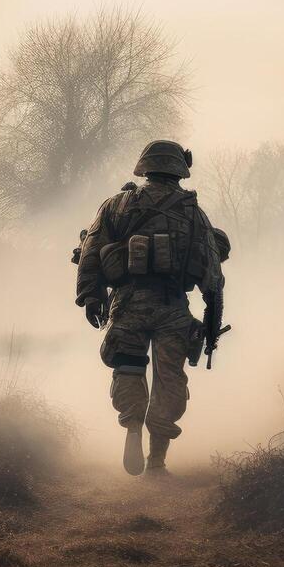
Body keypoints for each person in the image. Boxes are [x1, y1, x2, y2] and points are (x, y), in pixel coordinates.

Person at [74, 140, 228, 475]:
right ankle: (156, 462)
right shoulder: (194, 213)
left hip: (127, 305)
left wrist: (90, 297)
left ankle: (132, 426)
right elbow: (212, 274)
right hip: (172, 306)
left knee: (128, 367)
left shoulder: (117, 205)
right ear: (179, 171)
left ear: (145, 167)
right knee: (169, 381)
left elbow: (90, 251)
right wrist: (213, 321)